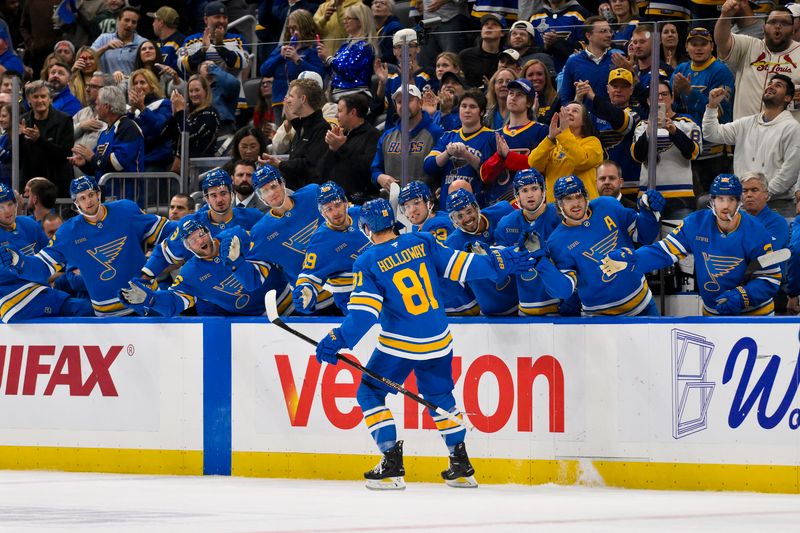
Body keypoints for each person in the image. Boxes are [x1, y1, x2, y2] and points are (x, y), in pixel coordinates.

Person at [312, 197, 538, 489]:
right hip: (439, 339)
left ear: (366, 228)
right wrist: (500, 261)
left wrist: (337, 339)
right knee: (441, 400)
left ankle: (392, 466)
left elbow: (363, 316)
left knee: (369, 393)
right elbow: (462, 266)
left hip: (400, 344)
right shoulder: (422, 241)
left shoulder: (367, 261)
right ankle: (461, 467)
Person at [601, 174, 782, 316]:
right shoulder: (695, 224)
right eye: (720, 199)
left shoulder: (757, 231)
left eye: (731, 199)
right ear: (712, 201)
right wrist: (634, 259)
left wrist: (744, 296)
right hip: (713, 312)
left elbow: (771, 278)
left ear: (739, 202)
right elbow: (663, 251)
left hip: (756, 314)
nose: (725, 206)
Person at [0, 175, 170, 317]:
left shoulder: (126, 210)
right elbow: (43, 266)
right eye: (82, 198)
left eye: (90, 195)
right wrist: (19, 261)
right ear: (76, 203)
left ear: (98, 194)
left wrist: (189, 226)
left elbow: (167, 231)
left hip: (146, 300)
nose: (88, 201)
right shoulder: (68, 232)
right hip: (107, 313)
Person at [537, 175, 664, 316]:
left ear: (586, 196)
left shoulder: (607, 205)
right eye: (568, 199)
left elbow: (645, 236)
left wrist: (649, 212)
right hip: (599, 318)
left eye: (578, 196)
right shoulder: (557, 241)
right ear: (559, 204)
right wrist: (541, 263)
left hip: (643, 305)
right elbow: (565, 290)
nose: (576, 203)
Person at [219, 164, 335, 311]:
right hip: (314, 300)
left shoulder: (312, 194)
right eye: (265, 191)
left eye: (273, 186)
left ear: (282, 183)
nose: (271, 193)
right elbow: (253, 281)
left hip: (348, 283)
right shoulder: (262, 232)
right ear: (260, 197)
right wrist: (237, 264)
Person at [120, 219, 292, 317]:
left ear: (209, 232)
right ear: (187, 248)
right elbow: (174, 303)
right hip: (250, 321)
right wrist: (151, 299)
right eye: (193, 240)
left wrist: (237, 260)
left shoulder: (235, 236)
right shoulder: (190, 274)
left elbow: (266, 257)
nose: (200, 241)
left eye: (201, 235)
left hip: (288, 303)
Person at [702, 77, 800, 217]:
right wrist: (712, 106)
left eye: (778, 85)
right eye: (770, 84)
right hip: (744, 204)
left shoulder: (792, 128)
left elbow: (789, 173)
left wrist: (762, 195)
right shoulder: (747, 123)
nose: (771, 87)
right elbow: (711, 134)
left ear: (787, 98)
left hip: (777, 206)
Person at [141, 169, 263, 280]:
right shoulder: (192, 223)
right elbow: (164, 253)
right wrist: (143, 280)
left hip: (244, 285)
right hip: (206, 289)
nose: (219, 200)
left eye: (223, 193)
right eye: (213, 195)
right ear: (206, 198)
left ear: (232, 194)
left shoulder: (253, 217)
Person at [0, 183, 93, 323]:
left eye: (10, 204)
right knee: (83, 308)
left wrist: (74, 266)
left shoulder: (28, 225)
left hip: (42, 292)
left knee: (86, 305)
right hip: (13, 302)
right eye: (1, 207)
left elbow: (54, 256)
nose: (8, 211)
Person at [494, 169, 568, 316]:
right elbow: (502, 271)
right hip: (526, 307)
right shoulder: (506, 224)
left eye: (534, 188)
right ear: (517, 195)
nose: (530, 195)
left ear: (543, 191)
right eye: (524, 190)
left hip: (563, 307)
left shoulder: (560, 216)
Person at [671, 27, 735, 194]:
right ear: (686, 47)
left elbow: (720, 112)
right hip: (685, 150)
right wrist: (676, 96)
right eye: (693, 44)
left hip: (714, 154)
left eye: (703, 44)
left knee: (716, 200)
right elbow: (672, 109)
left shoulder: (721, 71)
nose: (698, 48)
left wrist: (689, 92)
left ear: (711, 46)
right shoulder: (680, 70)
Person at [398, 180, 478, 316]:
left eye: (416, 203)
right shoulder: (422, 226)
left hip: (459, 305)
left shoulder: (438, 224)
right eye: (407, 206)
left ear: (428, 202)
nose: (412, 210)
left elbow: (440, 264)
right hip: (456, 303)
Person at [292, 181, 370, 314]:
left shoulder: (361, 214)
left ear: (346, 203)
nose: (335, 212)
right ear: (322, 213)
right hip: (352, 297)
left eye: (337, 205)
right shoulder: (319, 241)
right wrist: (305, 290)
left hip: (381, 285)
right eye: (329, 209)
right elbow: (309, 275)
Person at [715, 3, 800, 121]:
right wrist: (725, 16)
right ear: (763, 27)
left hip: (785, 135)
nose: (778, 26)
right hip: (746, 132)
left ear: (793, 30)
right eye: (773, 22)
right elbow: (722, 41)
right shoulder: (748, 45)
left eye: (785, 23)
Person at [632, 78, 701, 220]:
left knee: (680, 241)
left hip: (680, 196)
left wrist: (674, 131)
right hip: (648, 194)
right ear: (649, 101)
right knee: (648, 240)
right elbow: (637, 156)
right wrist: (648, 132)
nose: (660, 98)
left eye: (664, 94)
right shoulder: (642, 126)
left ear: (672, 97)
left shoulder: (687, 123)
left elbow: (693, 153)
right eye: (655, 95)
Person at [445, 188, 518, 315]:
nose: (467, 218)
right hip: (493, 311)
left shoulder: (503, 211)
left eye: (469, 211)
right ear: (454, 220)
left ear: (476, 207)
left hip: (522, 300)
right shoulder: (453, 243)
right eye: (460, 216)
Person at [69, 85, 145, 204]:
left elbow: (118, 163)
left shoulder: (128, 127)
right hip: (108, 196)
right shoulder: (105, 132)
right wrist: (84, 163)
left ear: (107, 107)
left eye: (98, 103)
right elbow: (98, 166)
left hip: (127, 198)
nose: (96, 106)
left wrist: (91, 157)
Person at [480, 78, 549, 204]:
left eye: (520, 95)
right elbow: (484, 175)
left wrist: (508, 156)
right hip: (499, 203)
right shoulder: (495, 135)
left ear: (528, 103)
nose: (513, 97)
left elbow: (541, 167)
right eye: (511, 93)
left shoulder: (541, 131)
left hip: (531, 204)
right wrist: (499, 157)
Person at [424, 89, 496, 208]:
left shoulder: (491, 137)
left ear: (482, 112)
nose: (467, 110)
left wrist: (466, 154)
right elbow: (428, 166)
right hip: (446, 208)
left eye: (472, 107)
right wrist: (447, 153)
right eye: (464, 106)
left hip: (477, 207)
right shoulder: (448, 136)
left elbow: (490, 174)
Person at [579, 68, 641, 196]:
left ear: (631, 90)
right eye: (614, 86)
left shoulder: (636, 115)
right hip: (600, 186)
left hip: (630, 186)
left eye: (624, 86)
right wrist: (578, 99)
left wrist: (593, 97)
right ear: (608, 89)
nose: (618, 90)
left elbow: (618, 119)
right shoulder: (594, 116)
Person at [371, 85, 444, 193]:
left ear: (420, 103)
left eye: (409, 101)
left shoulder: (436, 133)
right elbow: (375, 169)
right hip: (392, 202)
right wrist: (380, 177)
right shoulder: (387, 136)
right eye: (400, 102)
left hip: (424, 203)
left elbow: (444, 170)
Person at [259, 78, 330, 189]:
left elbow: (308, 164)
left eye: (291, 96)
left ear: (303, 99)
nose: (287, 101)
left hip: (309, 196)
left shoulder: (322, 128)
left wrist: (279, 164)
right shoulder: (301, 127)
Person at [259, 9, 325, 125]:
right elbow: (264, 70)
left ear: (305, 27)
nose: (292, 32)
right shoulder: (282, 48)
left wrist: (297, 60)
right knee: (282, 136)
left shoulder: (313, 48)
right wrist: (280, 57)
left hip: (303, 103)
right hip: (280, 101)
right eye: (290, 28)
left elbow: (319, 74)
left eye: (296, 28)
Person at [528, 102, 604, 203]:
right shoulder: (554, 144)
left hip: (585, 208)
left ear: (584, 121)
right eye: (566, 110)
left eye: (575, 111)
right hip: (556, 208)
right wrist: (550, 138)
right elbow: (534, 164)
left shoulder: (592, 142)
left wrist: (564, 132)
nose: (569, 113)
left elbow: (581, 161)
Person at [317, 92, 381, 205]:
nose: (336, 115)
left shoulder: (373, 135)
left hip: (359, 203)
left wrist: (341, 147)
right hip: (334, 201)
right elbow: (321, 171)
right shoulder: (341, 135)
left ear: (353, 112)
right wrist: (332, 149)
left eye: (340, 111)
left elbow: (366, 169)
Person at [19, 80, 74, 197]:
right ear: (28, 100)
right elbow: (17, 156)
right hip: (30, 185)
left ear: (50, 99)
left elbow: (65, 154)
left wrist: (39, 140)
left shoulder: (64, 120)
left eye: (43, 96)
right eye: (35, 97)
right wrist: (18, 137)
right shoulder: (22, 121)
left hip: (56, 185)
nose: (40, 100)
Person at [559, 16, 621, 111]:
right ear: (588, 36)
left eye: (610, 31)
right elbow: (565, 100)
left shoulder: (617, 59)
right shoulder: (573, 62)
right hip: (584, 122)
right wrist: (577, 98)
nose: (609, 35)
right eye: (603, 31)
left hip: (611, 121)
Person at [317, 2, 376, 98]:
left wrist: (328, 57)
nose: (344, 21)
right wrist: (325, 60)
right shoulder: (345, 45)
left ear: (361, 21)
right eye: (344, 18)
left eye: (348, 18)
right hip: (338, 95)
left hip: (354, 96)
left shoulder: (365, 46)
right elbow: (334, 73)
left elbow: (349, 71)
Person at [162, 74, 221, 169]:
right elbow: (164, 135)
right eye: (191, 91)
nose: (193, 94)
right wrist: (174, 115)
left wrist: (181, 112)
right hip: (182, 167)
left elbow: (189, 135)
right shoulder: (188, 112)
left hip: (201, 168)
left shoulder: (210, 113)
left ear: (205, 91)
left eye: (197, 90)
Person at [178, 1, 248, 77]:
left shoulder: (237, 39)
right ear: (205, 20)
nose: (222, 21)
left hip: (228, 88)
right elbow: (182, 66)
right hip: (201, 87)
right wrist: (202, 50)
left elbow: (243, 63)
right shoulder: (191, 40)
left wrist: (220, 47)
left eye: (225, 17)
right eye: (217, 17)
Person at [127, 68, 172, 172]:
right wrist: (132, 110)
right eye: (135, 83)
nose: (138, 86)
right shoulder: (131, 110)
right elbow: (126, 134)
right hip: (136, 162)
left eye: (142, 82)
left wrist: (142, 108)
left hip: (155, 163)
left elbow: (161, 129)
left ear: (152, 86)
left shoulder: (164, 104)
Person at [530, 0, 591, 73]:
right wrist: (545, 47)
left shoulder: (580, 14)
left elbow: (588, 46)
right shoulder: (535, 17)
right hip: (542, 75)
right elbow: (530, 49)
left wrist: (558, 42)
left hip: (574, 72)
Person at [91, 6, 147, 79]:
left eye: (134, 22)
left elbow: (148, 69)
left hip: (131, 87)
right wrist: (105, 47)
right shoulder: (104, 38)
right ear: (118, 20)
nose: (130, 25)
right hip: (105, 86)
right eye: (126, 20)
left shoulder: (143, 43)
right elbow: (89, 57)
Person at [458, 14, 504, 89]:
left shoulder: (505, 58)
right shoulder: (465, 55)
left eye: (494, 24)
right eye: (486, 24)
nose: (489, 27)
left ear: (502, 33)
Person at [522, 59, 561, 125]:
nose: (535, 78)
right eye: (530, 75)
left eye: (539, 74)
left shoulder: (557, 100)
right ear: (524, 78)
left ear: (546, 77)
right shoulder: (518, 101)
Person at [149, 6, 184, 71]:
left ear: (161, 23)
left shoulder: (182, 43)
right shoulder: (155, 43)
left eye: (154, 20)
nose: (153, 24)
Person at [372, 0, 402, 66]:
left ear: (390, 12)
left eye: (382, 3)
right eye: (375, 3)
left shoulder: (395, 27)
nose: (377, 5)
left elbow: (391, 56)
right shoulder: (370, 28)